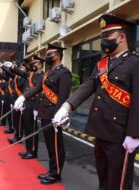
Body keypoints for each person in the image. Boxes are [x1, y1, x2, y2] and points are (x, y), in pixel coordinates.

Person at [53, 14, 139, 189]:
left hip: (120, 135)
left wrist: (134, 134)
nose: (103, 41)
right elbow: (89, 85)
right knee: (103, 180)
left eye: (107, 36)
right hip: (100, 131)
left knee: (119, 183)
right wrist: (66, 107)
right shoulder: (102, 65)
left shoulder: (134, 63)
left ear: (121, 37)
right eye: (102, 37)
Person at [14, 44, 72, 184]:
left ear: (57, 55)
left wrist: (59, 115)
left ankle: (56, 172)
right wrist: (23, 97)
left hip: (54, 114)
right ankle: (52, 170)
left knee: (56, 145)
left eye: (49, 54)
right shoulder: (48, 72)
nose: (47, 57)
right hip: (45, 113)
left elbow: (63, 97)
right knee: (49, 144)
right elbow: (38, 87)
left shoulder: (64, 73)